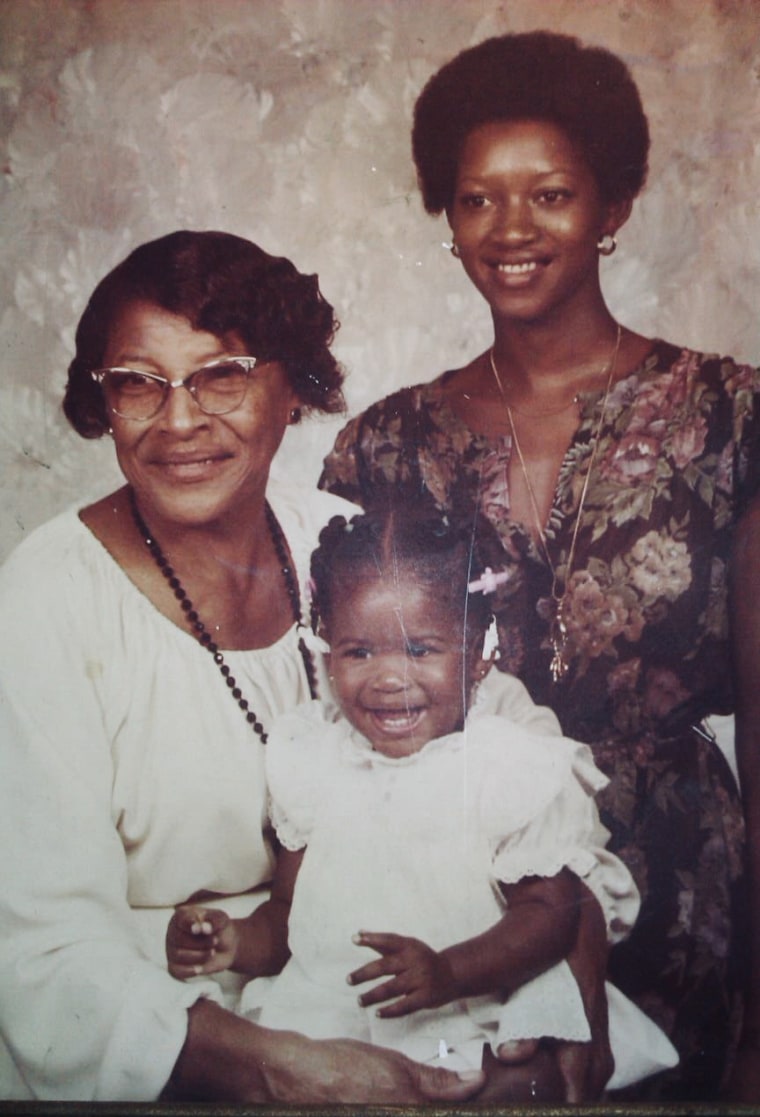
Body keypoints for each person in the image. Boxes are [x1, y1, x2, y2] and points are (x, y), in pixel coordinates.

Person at [319, 31, 760, 1102]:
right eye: (477, 200)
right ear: (448, 217)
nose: (510, 231)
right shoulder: (382, 444)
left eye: (551, 194)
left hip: (683, 911)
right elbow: (341, 715)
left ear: (611, 210)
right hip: (458, 921)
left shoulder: (728, 417)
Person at [0, 230, 492, 1104]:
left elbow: (492, 772)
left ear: (293, 387)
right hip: (145, 1045)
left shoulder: (343, 543)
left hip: (358, 1003)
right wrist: (288, 1068)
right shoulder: (44, 600)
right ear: (103, 401)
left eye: (220, 373)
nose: (179, 420)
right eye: (137, 384)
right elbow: (41, 952)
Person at [166, 503, 676, 1101]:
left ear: (481, 652)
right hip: (328, 1015)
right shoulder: (314, 758)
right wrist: (235, 941)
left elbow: (551, 913)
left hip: (467, 1007)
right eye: (358, 652)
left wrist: (447, 972)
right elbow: (288, 916)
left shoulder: (504, 764)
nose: (388, 677)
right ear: (326, 648)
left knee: (511, 1086)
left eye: (420, 650)